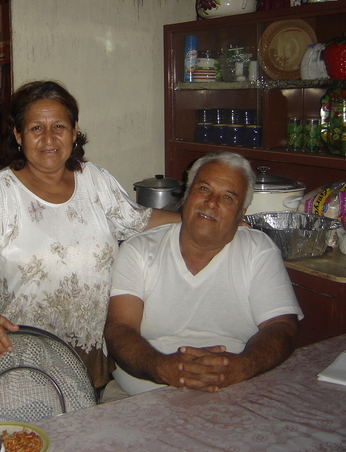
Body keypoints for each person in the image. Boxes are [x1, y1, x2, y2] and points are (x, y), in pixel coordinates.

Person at [0, 80, 179, 388]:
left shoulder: (95, 180)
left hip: (89, 349)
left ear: (74, 132)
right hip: (23, 351)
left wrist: (197, 222)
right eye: (36, 128)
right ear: (18, 135)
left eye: (58, 126)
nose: (48, 138)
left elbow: (139, 220)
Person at [104, 151, 303, 398]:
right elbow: (119, 329)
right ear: (186, 195)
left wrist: (241, 367)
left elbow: (282, 326)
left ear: (242, 212)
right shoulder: (139, 249)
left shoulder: (257, 250)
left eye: (228, 197)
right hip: (147, 393)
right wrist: (163, 368)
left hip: (237, 390)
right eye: (204, 189)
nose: (211, 203)